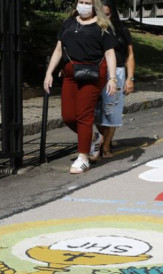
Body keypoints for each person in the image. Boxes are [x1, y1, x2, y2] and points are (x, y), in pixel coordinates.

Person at [44, 0, 117, 174]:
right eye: (81, 1)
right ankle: (94, 137)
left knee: (84, 115)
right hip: (70, 74)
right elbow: (59, 49)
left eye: (87, 2)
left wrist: (112, 78)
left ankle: (83, 157)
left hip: (92, 74)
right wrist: (49, 73)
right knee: (68, 116)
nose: (83, 5)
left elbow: (109, 53)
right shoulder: (69, 22)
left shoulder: (102, 26)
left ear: (94, 6)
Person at [93, 0, 135, 160]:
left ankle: (106, 146)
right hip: (96, 73)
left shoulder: (121, 30)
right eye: (101, 14)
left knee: (112, 111)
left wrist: (130, 78)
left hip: (117, 73)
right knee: (97, 112)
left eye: (108, 14)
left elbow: (130, 55)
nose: (105, 17)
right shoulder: (93, 28)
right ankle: (102, 138)